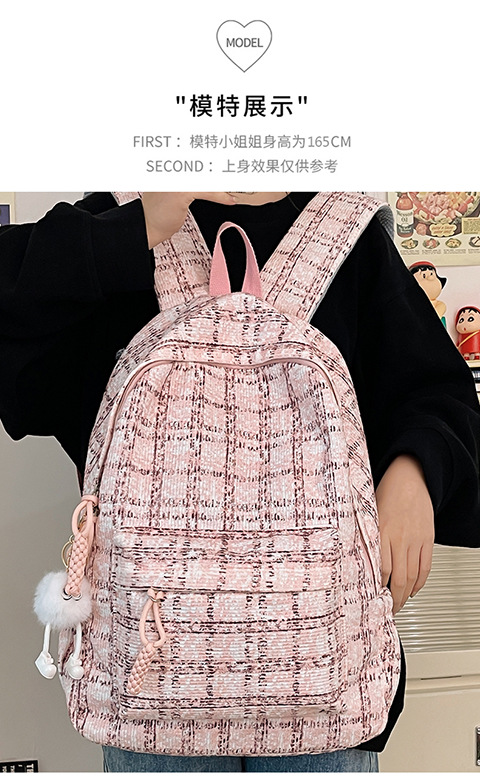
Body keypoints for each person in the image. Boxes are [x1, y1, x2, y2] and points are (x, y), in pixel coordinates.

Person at [1, 191, 479, 773]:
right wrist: (125, 233)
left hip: (315, 670)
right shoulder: (120, 214)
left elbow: (435, 390)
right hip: (163, 679)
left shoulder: (349, 235)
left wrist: (416, 469)